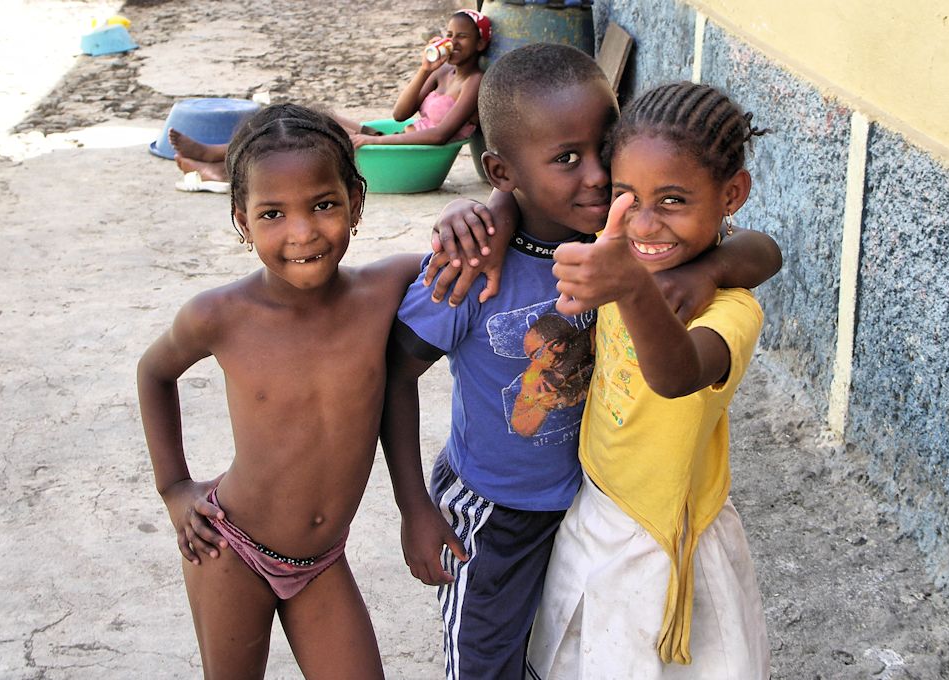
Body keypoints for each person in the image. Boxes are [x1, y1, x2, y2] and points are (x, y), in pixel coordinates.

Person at [378, 44, 781, 680]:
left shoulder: (624, 244)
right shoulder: (477, 267)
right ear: (502, 172)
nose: (597, 177)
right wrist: (414, 509)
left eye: (604, 150)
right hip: (496, 515)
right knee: (487, 663)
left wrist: (713, 268)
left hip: (584, 505)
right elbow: (394, 373)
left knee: (564, 652)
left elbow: (762, 249)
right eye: (568, 159)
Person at [137, 103, 420, 679]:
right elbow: (154, 373)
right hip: (230, 549)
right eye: (272, 214)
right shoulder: (219, 316)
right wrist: (173, 488)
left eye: (323, 205)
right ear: (241, 221)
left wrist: (482, 213)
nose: (302, 232)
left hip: (320, 561)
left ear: (356, 203)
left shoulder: (387, 289)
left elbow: (479, 243)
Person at [524, 82, 772, 679]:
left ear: (732, 193)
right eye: (625, 195)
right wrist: (482, 207)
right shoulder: (618, 251)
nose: (644, 222)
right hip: (597, 508)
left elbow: (678, 375)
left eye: (674, 200)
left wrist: (636, 288)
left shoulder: (730, 311)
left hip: (668, 538)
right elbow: (531, 194)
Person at [169, 9, 490, 182]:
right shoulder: (440, 72)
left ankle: (221, 163)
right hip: (397, 138)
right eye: (449, 35)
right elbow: (399, 115)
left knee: (313, 139)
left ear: (479, 44)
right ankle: (224, 157)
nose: (453, 42)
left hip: (410, 157)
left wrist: (371, 141)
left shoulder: (474, 81)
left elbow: (439, 136)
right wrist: (424, 69)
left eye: (462, 37)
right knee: (312, 117)